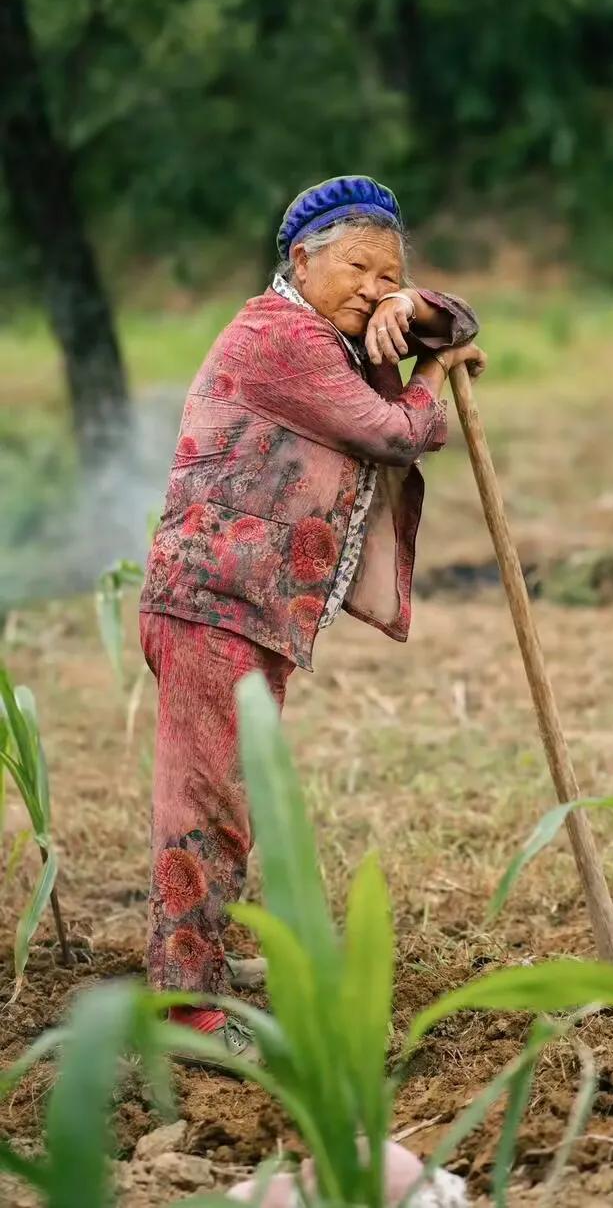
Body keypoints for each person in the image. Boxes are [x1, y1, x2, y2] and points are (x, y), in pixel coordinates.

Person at [139, 175, 485, 1064]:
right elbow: (391, 429)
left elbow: (456, 318)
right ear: (302, 259)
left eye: (390, 273)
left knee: (235, 798)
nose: (375, 288)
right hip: (212, 601)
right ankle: (184, 1013)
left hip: (251, 612)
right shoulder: (278, 336)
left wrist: (417, 312)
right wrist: (432, 374)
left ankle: (202, 966)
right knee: (203, 803)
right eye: (360, 267)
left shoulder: (334, 329)